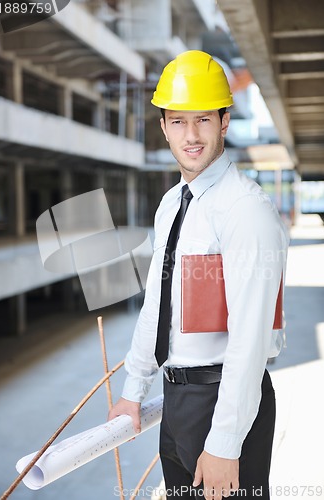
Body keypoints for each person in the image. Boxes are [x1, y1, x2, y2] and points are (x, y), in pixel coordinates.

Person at [109, 50, 289, 499]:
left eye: (203, 120)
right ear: (164, 126)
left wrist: (226, 442)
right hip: (178, 404)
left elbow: (249, 338)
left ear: (224, 122)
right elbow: (158, 302)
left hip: (224, 402)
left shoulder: (245, 210)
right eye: (178, 121)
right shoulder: (172, 204)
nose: (191, 136)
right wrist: (135, 387)